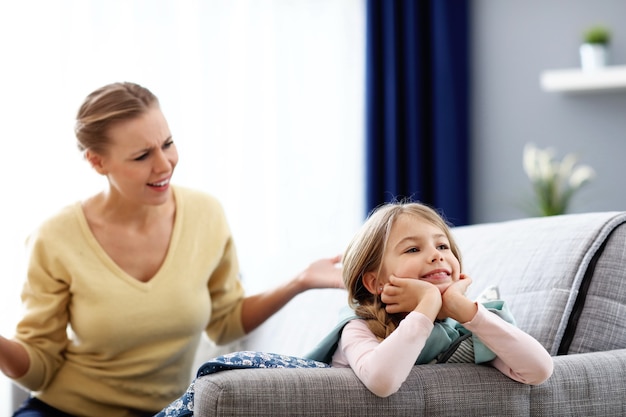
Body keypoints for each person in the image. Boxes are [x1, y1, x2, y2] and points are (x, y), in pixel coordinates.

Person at [0, 81, 343, 417]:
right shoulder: (54, 238)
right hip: (66, 409)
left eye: (167, 143)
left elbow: (225, 322)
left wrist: (300, 281)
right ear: (97, 162)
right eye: (141, 155)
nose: (164, 164)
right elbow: (38, 368)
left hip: (169, 412)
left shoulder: (205, 215)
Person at [326, 201, 553, 398]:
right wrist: (427, 302)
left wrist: (468, 312)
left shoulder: (463, 330)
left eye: (443, 246)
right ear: (375, 283)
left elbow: (539, 370)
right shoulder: (358, 327)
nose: (437, 255)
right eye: (413, 249)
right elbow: (382, 382)